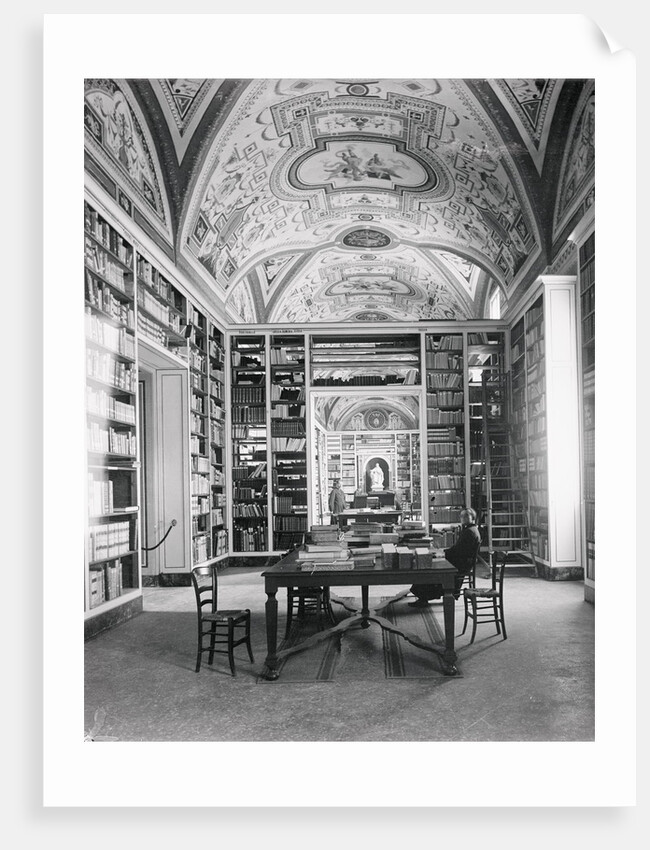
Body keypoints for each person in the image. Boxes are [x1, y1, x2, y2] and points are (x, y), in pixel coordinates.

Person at [408, 507, 481, 607]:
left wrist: (443, 553)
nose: (462, 518)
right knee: (434, 563)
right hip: (462, 561)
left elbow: (458, 551)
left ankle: (424, 597)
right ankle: (424, 597)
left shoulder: (469, 532)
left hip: (460, 563)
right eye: (461, 516)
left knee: (431, 569)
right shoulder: (471, 529)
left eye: (466, 516)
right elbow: (458, 549)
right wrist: (444, 552)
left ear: (473, 517)